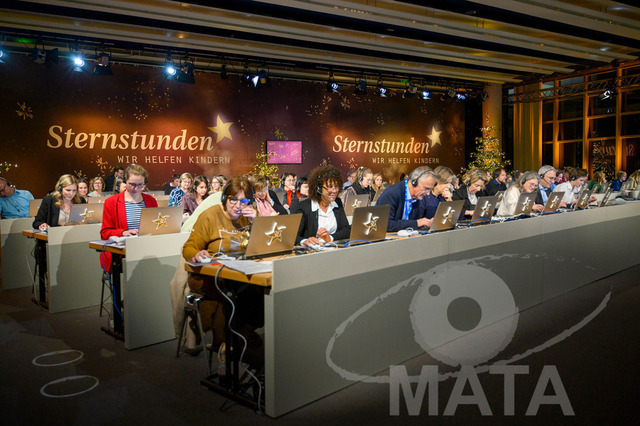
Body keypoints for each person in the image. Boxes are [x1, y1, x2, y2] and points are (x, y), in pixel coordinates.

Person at [181, 177, 262, 354]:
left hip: (241, 272)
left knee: (265, 292)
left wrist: (257, 222)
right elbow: (189, 247)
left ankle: (239, 335)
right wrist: (197, 254)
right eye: (233, 200)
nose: (238, 206)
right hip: (211, 276)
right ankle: (229, 342)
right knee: (245, 294)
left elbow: (264, 245)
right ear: (225, 198)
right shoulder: (210, 215)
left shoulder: (249, 217)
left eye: (244, 201)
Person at [100, 164, 158, 270]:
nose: (136, 188)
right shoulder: (111, 202)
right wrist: (123, 232)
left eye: (140, 185)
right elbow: (105, 233)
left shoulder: (151, 201)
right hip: (123, 255)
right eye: (132, 184)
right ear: (125, 181)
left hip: (148, 251)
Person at [291, 165, 350, 245]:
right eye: (330, 187)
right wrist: (304, 241)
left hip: (334, 248)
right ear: (318, 188)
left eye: (336, 187)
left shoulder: (337, 202)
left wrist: (330, 237)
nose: (334, 190)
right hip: (312, 250)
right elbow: (293, 235)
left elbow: (346, 230)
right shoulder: (304, 207)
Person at [377, 166, 436, 232]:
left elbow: (416, 221)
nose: (428, 193)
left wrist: (426, 223)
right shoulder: (392, 194)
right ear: (414, 182)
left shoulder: (417, 197)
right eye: (426, 189)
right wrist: (416, 223)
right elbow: (384, 224)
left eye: (430, 190)